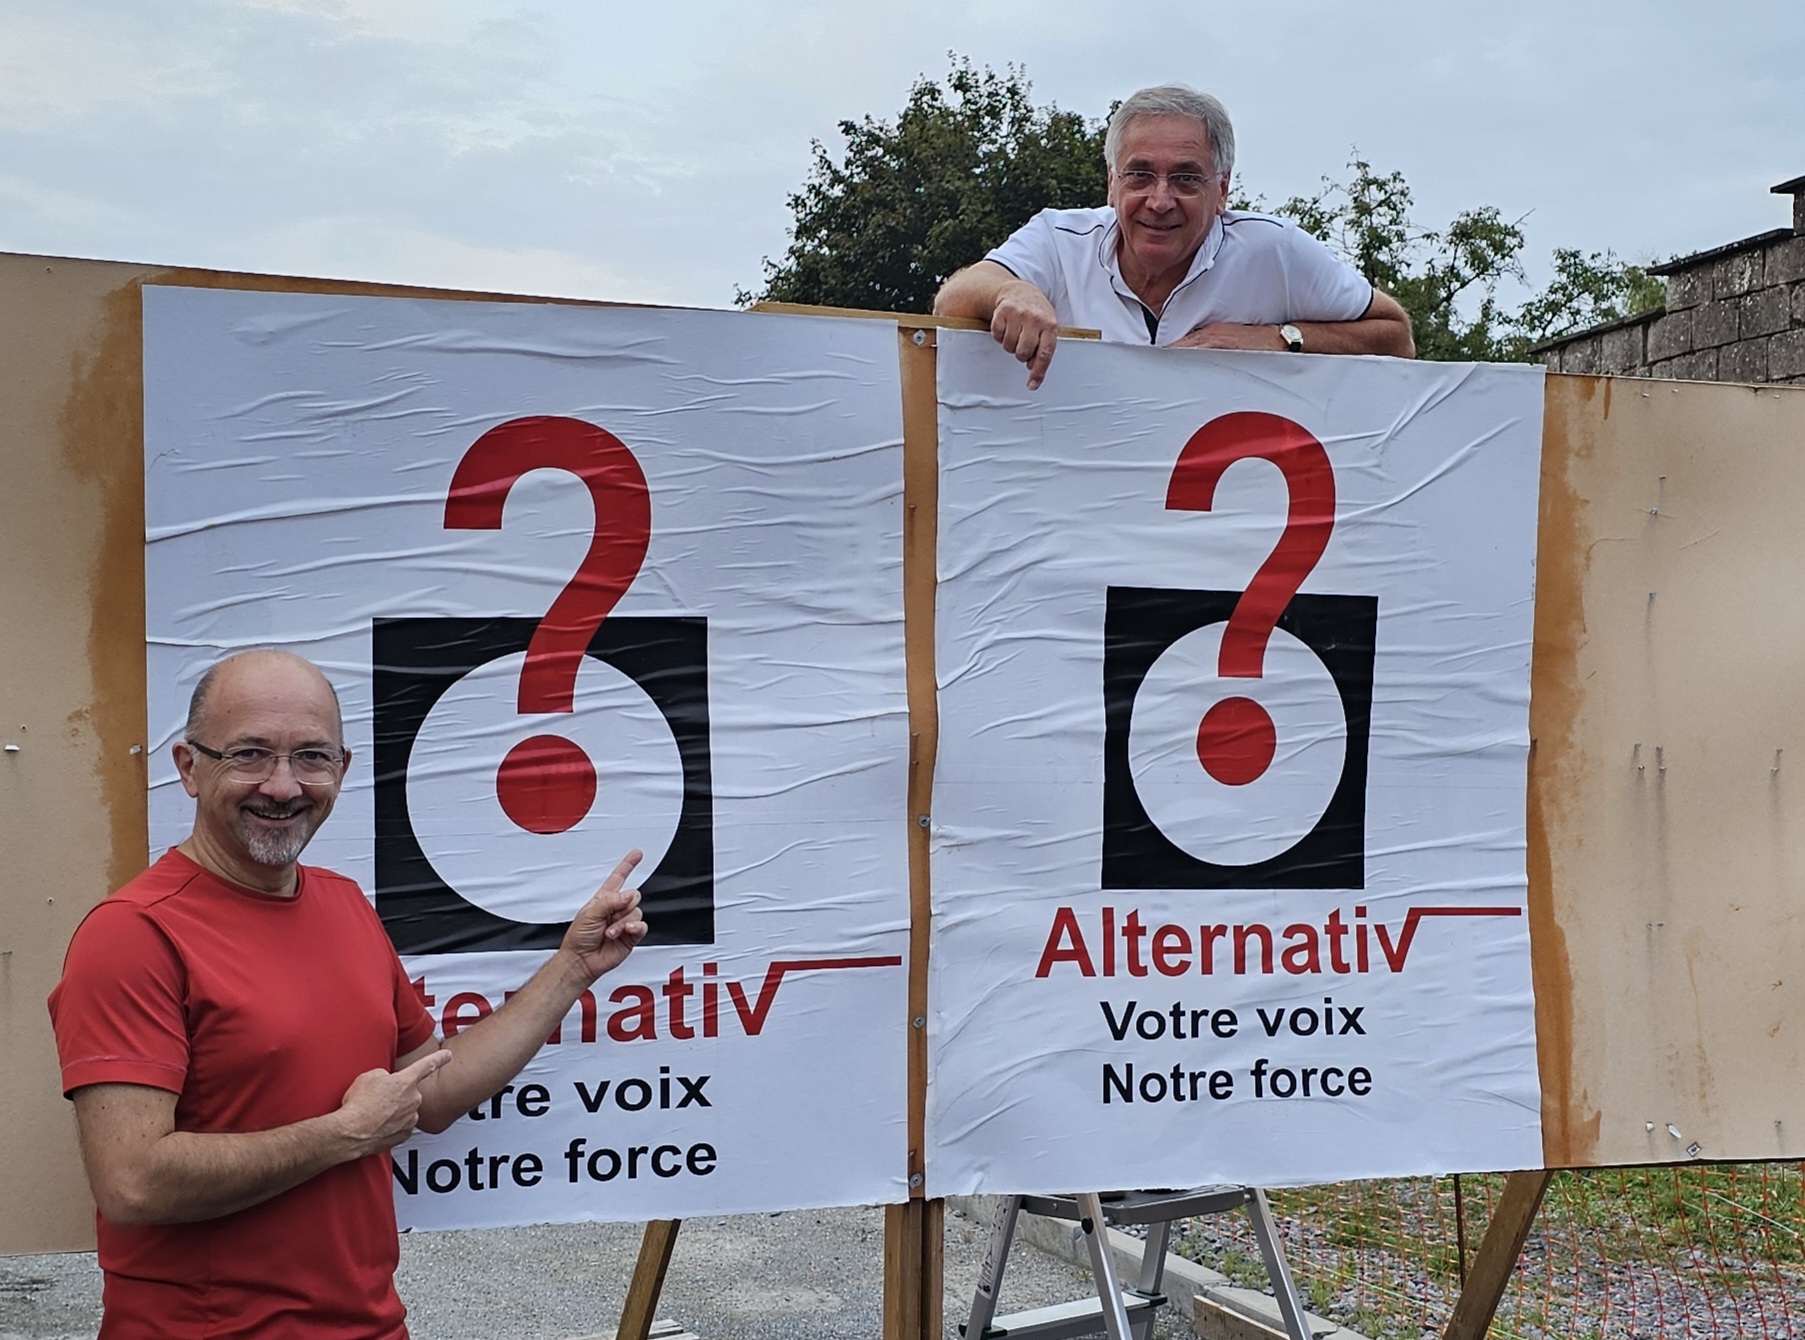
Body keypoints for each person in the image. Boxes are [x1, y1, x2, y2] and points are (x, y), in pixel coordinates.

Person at [48, 648, 647, 1339]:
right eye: (249, 754)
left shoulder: (344, 904)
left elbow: (432, 1093)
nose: (282, 786)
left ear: (343, 768)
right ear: (189, 767)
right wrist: (342, 1135)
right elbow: (133, 1182)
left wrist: (571, 969)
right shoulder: (133, 935)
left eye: (311, 757)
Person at [934, 84, 1416, 388]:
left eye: (1186, 179)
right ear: (1111, 183)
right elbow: (950, 301)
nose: (1160, 200)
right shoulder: (1059, 240)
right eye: (1140, 175)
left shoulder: (1274, 250)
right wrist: (1011, 292)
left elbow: (1397, 339)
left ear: (1221, 190)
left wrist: (1277, 339)